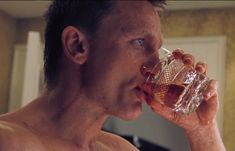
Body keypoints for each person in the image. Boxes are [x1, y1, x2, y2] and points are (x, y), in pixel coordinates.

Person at [0, 0, 226, 151]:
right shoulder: (8, 141)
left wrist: (201, 129)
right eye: (139, 42)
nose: (156, 68)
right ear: (77, 45)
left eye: (157, 50)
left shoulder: (120, 149)